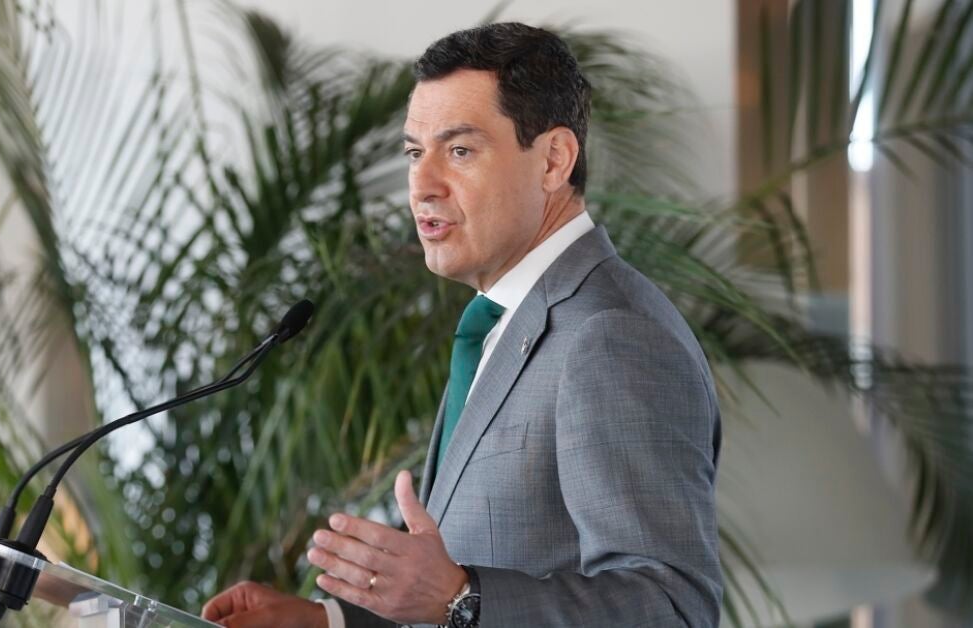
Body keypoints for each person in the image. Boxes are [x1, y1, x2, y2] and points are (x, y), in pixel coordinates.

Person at [202, 22, 722, 627]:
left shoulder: (611, 335)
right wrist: (327, 622)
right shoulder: (500, 322)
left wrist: (459, 597)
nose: (422, 186)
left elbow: (672, 608)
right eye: (414, 153)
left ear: (554, 160)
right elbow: (464, 579)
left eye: (460, 151)